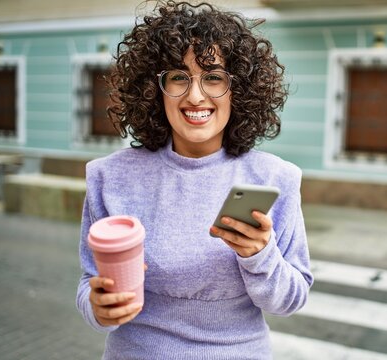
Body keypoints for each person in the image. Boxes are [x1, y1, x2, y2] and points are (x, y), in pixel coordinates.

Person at [76, 1, 313, 359]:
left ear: (239, 90)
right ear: (155, 89)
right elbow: (89, 286)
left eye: (214, 77)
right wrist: (98, 307)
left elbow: (291, 300)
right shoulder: (110, 178)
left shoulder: (274, 178)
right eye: (178, 77)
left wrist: (260, 256)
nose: (196, 95)